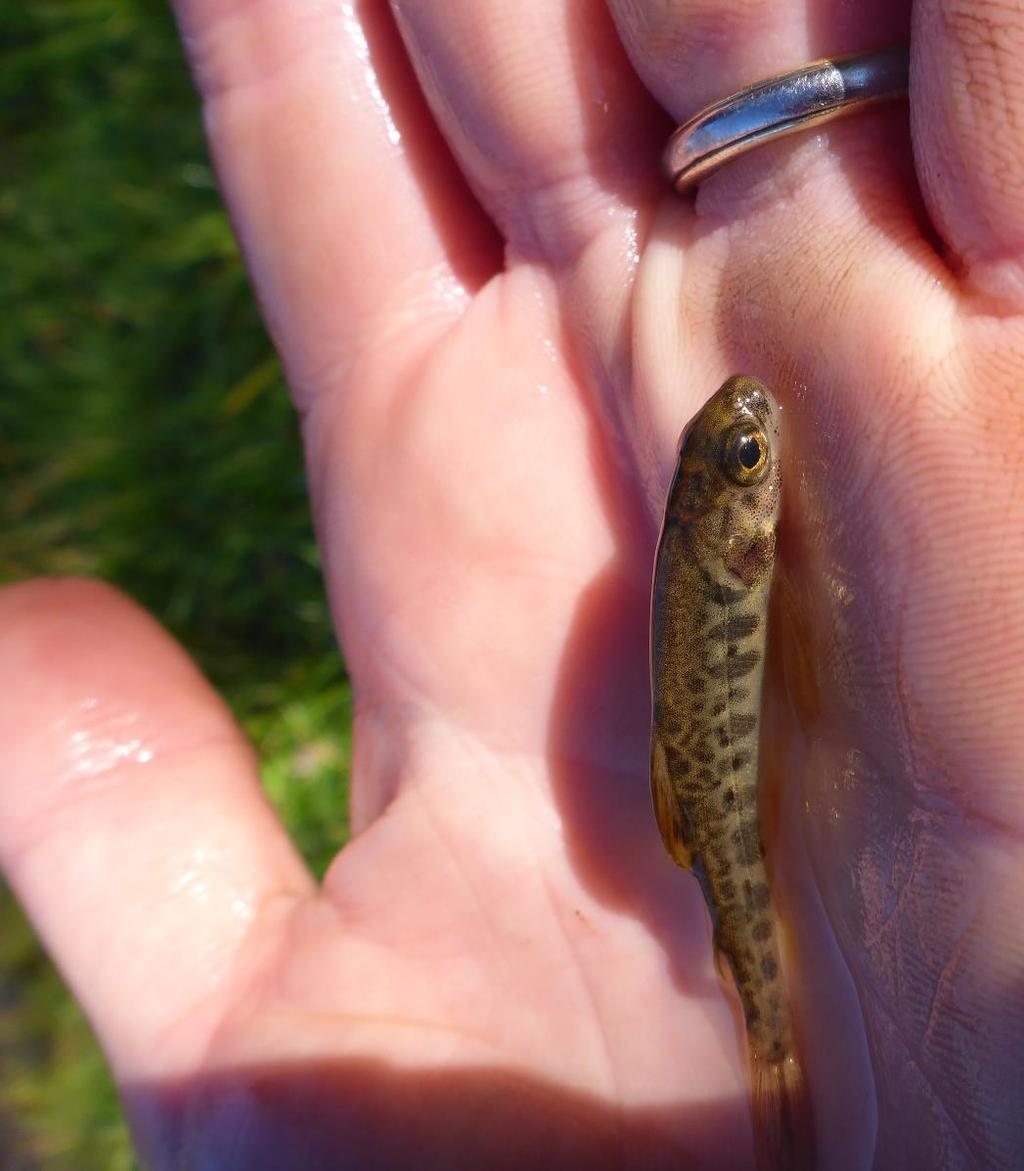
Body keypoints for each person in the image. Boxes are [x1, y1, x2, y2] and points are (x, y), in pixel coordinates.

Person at [1, 2, 1021, 1167]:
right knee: (752, 922)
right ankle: (768, 1026)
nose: (754, 434)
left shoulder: (727, 543)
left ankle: (767, 1018)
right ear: (735, 527)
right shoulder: (730, 544)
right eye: (742, 459)